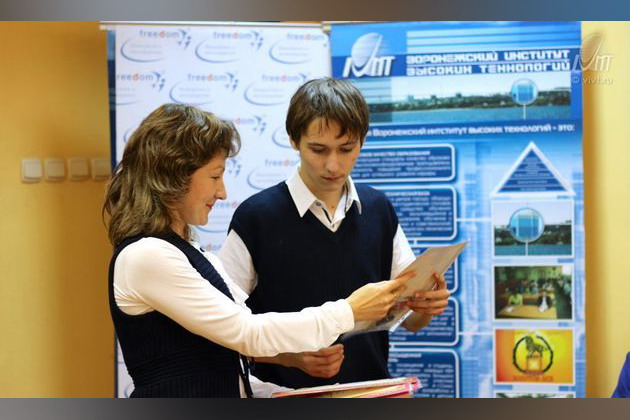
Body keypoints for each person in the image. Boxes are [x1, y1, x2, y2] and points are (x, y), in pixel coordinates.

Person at [103, 103, 412, 398]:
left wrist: (291, 380)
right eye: (215, 176)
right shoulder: (146, 256)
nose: (222, 192)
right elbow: (247, 332)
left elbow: (229, 358)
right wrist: (350, 310)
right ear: (173, 175)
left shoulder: (188, 252)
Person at [219, 77, 450, 390]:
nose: (333, 165)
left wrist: (426, 308)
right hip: (286, 397)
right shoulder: (255, 217)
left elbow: (410, 320)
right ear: (293, 140)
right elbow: (222, 330)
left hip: (371, 394)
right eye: (318, 150)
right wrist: (289, 357)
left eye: (346, 149)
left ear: (362, 141)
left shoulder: (378, 208)